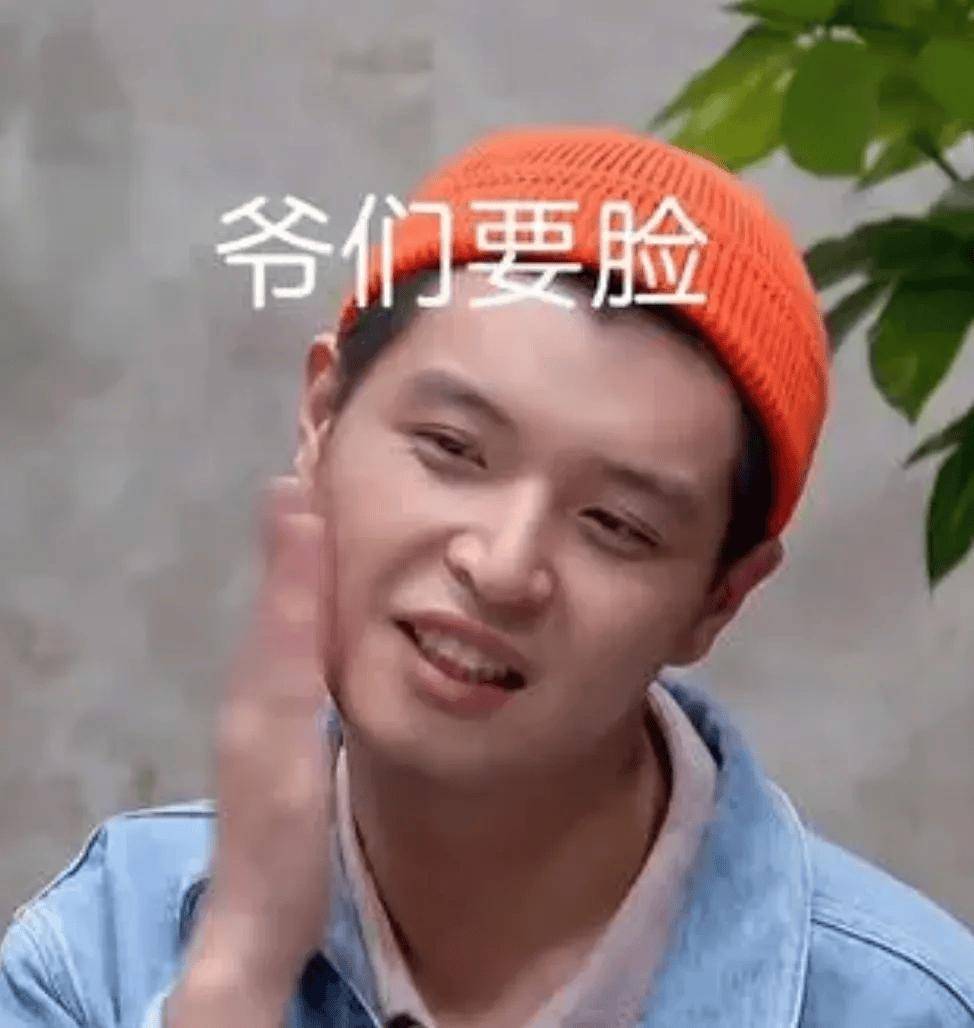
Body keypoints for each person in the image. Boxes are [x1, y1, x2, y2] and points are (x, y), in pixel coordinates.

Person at [2, 126, 972, 1028]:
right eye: (451, 447)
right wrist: (237, 978)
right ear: (322, 418)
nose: (502, 566)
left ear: (720, 597)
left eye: (616, 524)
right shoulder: (101, 953)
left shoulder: (906, 1007)